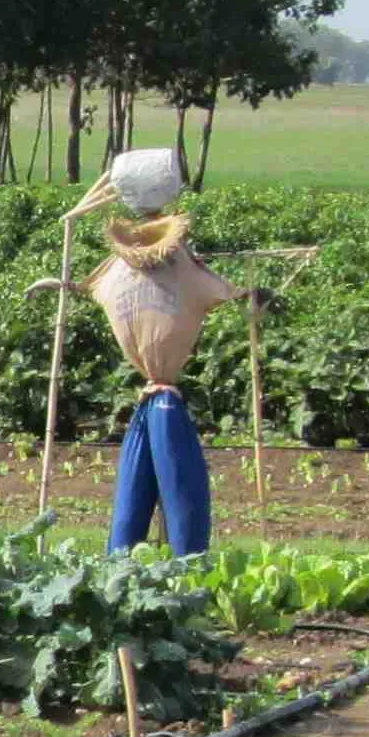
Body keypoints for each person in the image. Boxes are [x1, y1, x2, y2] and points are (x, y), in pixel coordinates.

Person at [83, 152, 241, 555]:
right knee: (176, 493)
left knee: (139, 498)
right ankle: (183, 565)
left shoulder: (121, 271)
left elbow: (90, 286)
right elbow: (219, 290)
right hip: (161, 400)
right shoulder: (172, 267)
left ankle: (126, 566)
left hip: (156, 398)